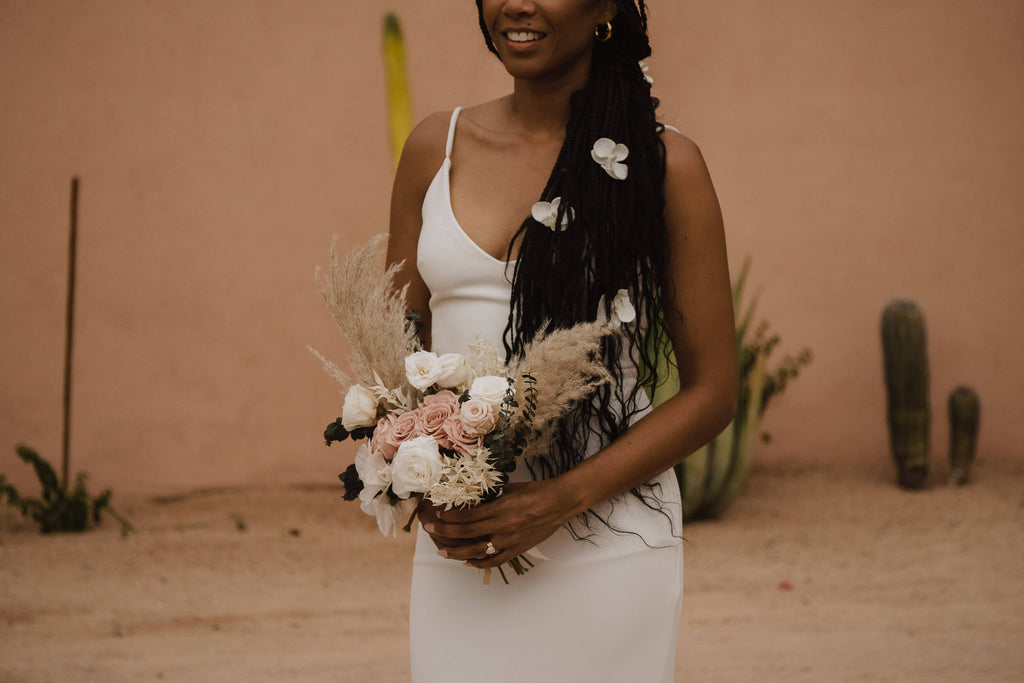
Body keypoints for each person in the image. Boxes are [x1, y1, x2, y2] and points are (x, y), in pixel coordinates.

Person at [386, 1, 737, 680]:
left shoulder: (667, 166)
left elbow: (715, 392)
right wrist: (413, 455)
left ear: (605, 5)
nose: (518, 3)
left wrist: (560, 498)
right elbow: (402, 336)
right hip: (464, 550)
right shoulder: (438, 146)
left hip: (609, 545)